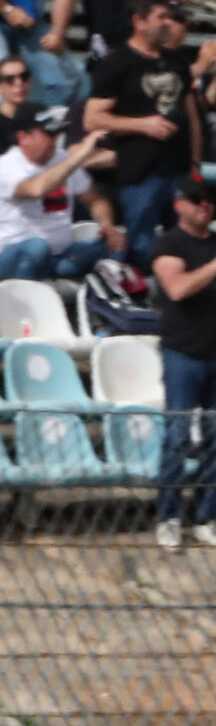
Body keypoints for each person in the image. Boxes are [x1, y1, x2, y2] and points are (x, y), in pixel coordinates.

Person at [84, 0, 208, 250]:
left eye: (169, 17)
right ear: (139, 21)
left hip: (180, 169)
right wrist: (142, 125)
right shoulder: (117, 63)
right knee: (142, 245)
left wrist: (195, 161)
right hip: (141, 172)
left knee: (187, 241)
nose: (168, 23)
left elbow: (191, 115)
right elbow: (92, 118)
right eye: (160, 17)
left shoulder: (177, 60)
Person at [148, 173, 216, 549]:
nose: (205, 204)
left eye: (209, 199)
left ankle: (206, 516)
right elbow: (177, 287)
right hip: (183, 354)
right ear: (179, 205)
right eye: (196, 199)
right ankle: (168, 516)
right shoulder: (169, 243)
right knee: (176, 438)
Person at [0, 112, 120, 282]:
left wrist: (107, 226)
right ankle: (26, 299)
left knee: (116, 244)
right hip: (11, 259)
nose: (55, 139)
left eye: (57, 132)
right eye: (49, 134)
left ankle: (111, 301)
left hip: (59, 257)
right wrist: (81, 155)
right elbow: (36, 189)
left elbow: (95, 201)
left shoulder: (63, 159)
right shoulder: (7, 164)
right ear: (23, 137)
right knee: (37, 247)